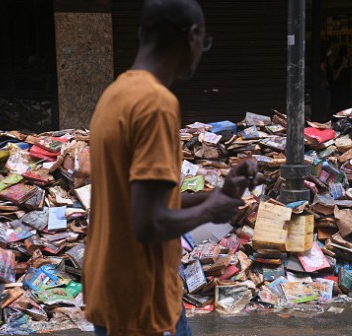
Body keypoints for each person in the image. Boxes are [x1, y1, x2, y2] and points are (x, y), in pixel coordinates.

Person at [84, 1, 258, 335]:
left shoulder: (115, 95)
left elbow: (138, 203)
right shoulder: (157, 104)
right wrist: (211, 209)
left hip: (113, 292)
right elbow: (148, 223)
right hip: (142, 302)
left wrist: (218, 195)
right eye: (204, 42)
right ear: (193, 37)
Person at [313, 40, 333, 123]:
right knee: (323, 108)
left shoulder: (323, 59)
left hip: (323, 86)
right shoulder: (322, 59)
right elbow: (323, 70)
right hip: (322, 87)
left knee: (323, 108)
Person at [331, 45, 352, 113]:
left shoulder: (349, 62)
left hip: (347, 88)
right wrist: (341, 66)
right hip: (339, 89)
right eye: (348, 52)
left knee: (347, 107)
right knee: (339, 108)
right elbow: (334, 77)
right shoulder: (338, 62)